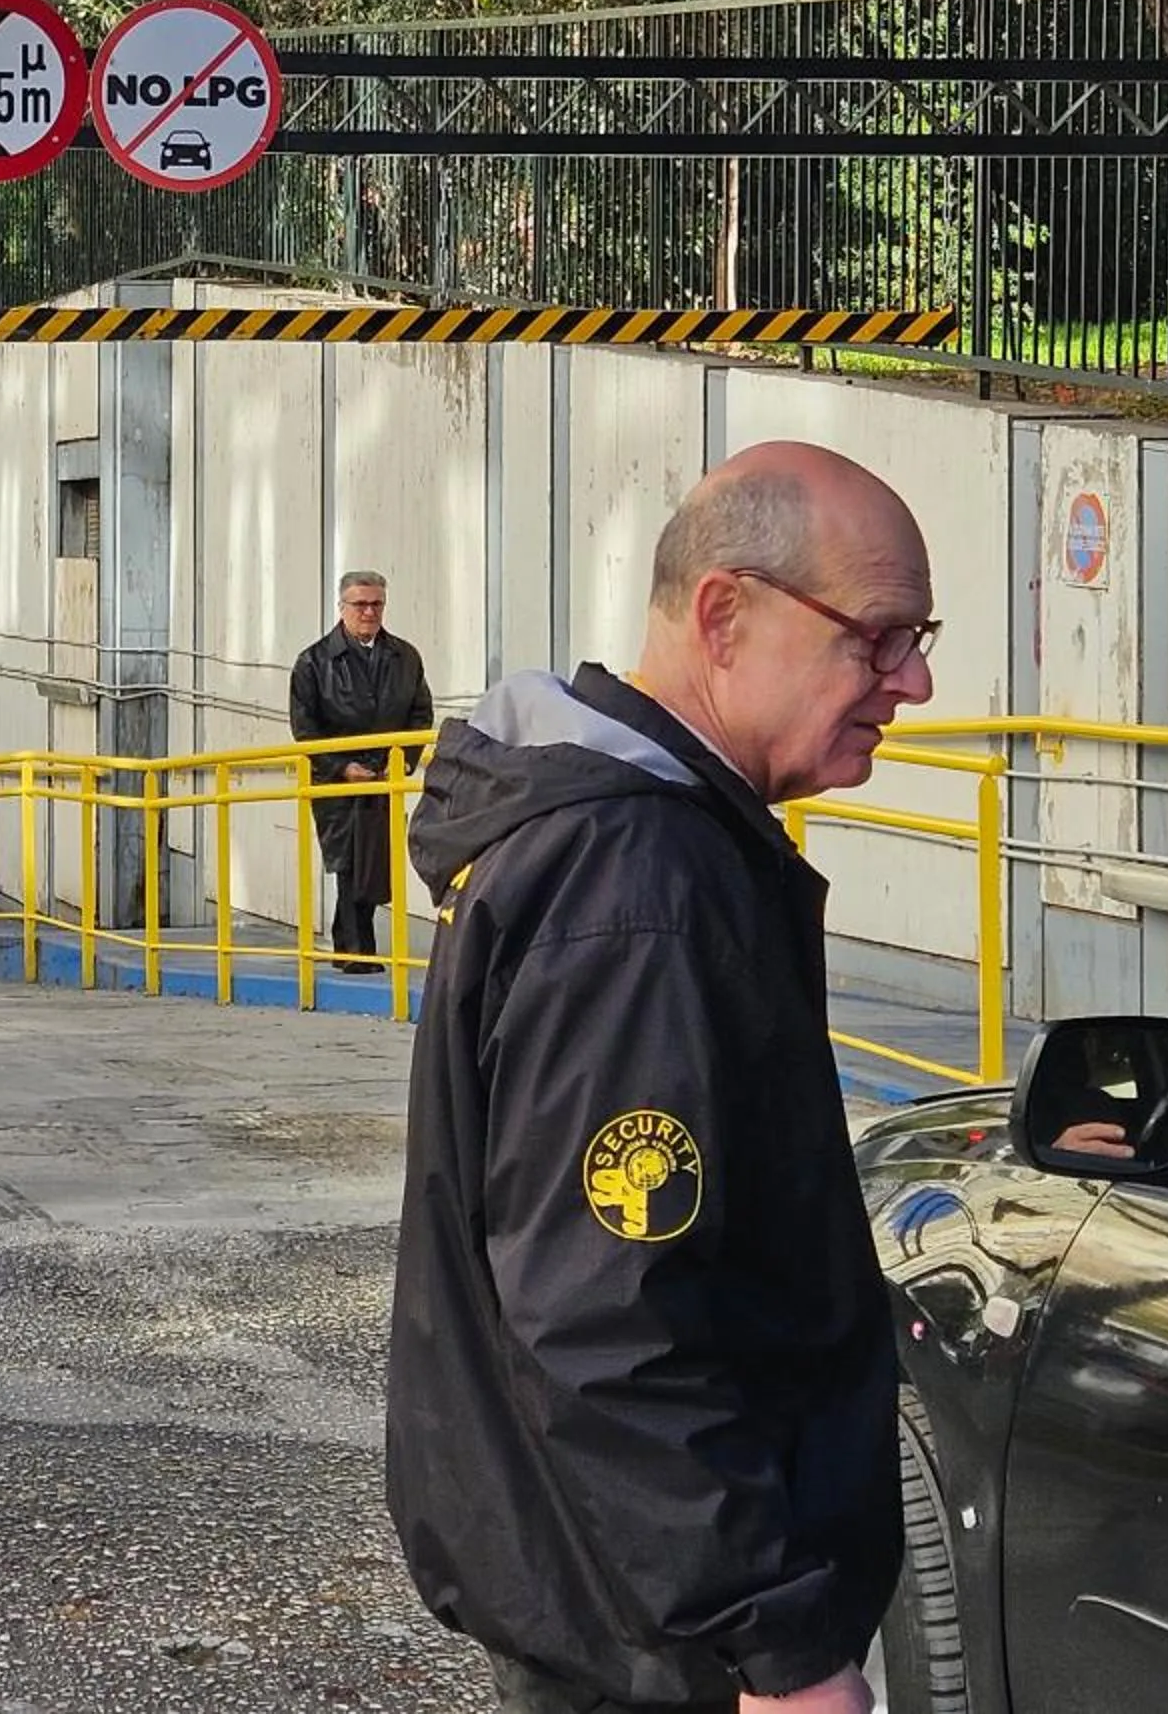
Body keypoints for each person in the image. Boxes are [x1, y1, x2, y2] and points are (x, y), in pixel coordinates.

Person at [389, 442, 938, 1714]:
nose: (911, 681)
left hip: (618, 1602)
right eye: (880, 636)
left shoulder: (636, 850)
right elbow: (608, 1316)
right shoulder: (639, 890)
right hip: (657, 1644)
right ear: (724, 614)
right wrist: (777, 1644)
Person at [287, 570, 433, 969]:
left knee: (374, 862)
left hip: (384, 777)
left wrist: (400, 761)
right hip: (336, 782)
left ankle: (353, 948)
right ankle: (354, 952)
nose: (369, 612)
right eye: (360, 604)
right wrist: (340, 766)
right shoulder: (314, 662)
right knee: (348, 863)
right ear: (342, 607)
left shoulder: (404, 657)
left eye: (376, 604)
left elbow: (420, 713)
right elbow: (305, 727)